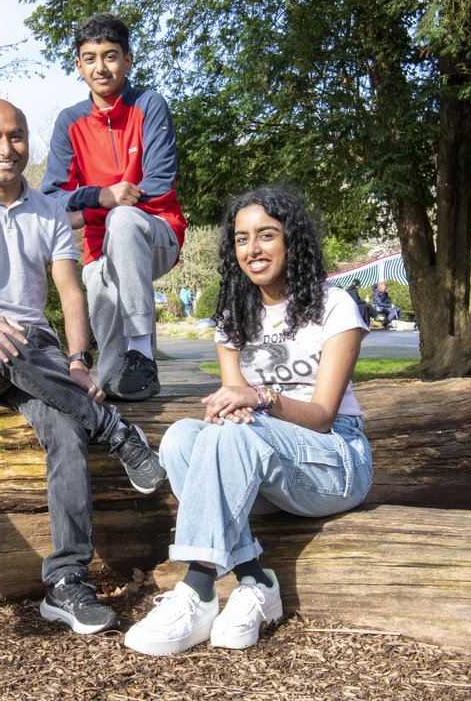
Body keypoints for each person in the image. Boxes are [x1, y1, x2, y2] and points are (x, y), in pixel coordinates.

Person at [0, 99, 167, 637]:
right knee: (5, 340)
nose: (5, 148)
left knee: (65, 429)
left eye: (16, 136)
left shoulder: (50, 210)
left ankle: (66, 582)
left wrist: (78, 360)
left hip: (35, 351)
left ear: (27, 142)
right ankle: (118, 433)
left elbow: (69, 292)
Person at [123, 185, 373, 656]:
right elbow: (231, 409)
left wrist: (259, 397)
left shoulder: (334, 306)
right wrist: (238, 405)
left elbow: (321, 416)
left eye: (266, 235)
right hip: (261, 464)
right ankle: (256, 582)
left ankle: (197, 587)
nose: (252, 249)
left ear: (291, 241)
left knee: (237, 430)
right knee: (179, 438)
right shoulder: (235, 316)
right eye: (241, 239)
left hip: (335, 461)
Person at [43, 12, 188, 402]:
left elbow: (158, 182)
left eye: (110, 56)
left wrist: (100, 207)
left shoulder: (150, 105)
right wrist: (101, 197)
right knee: (100, 280)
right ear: (78, 65)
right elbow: (52, 199)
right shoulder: (68, 122)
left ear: (128, 60)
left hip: (157, 232)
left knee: (123, 221)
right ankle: (118, 384)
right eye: (89, 58)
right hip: (98, 245)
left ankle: (142, 351)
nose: (100, 67)